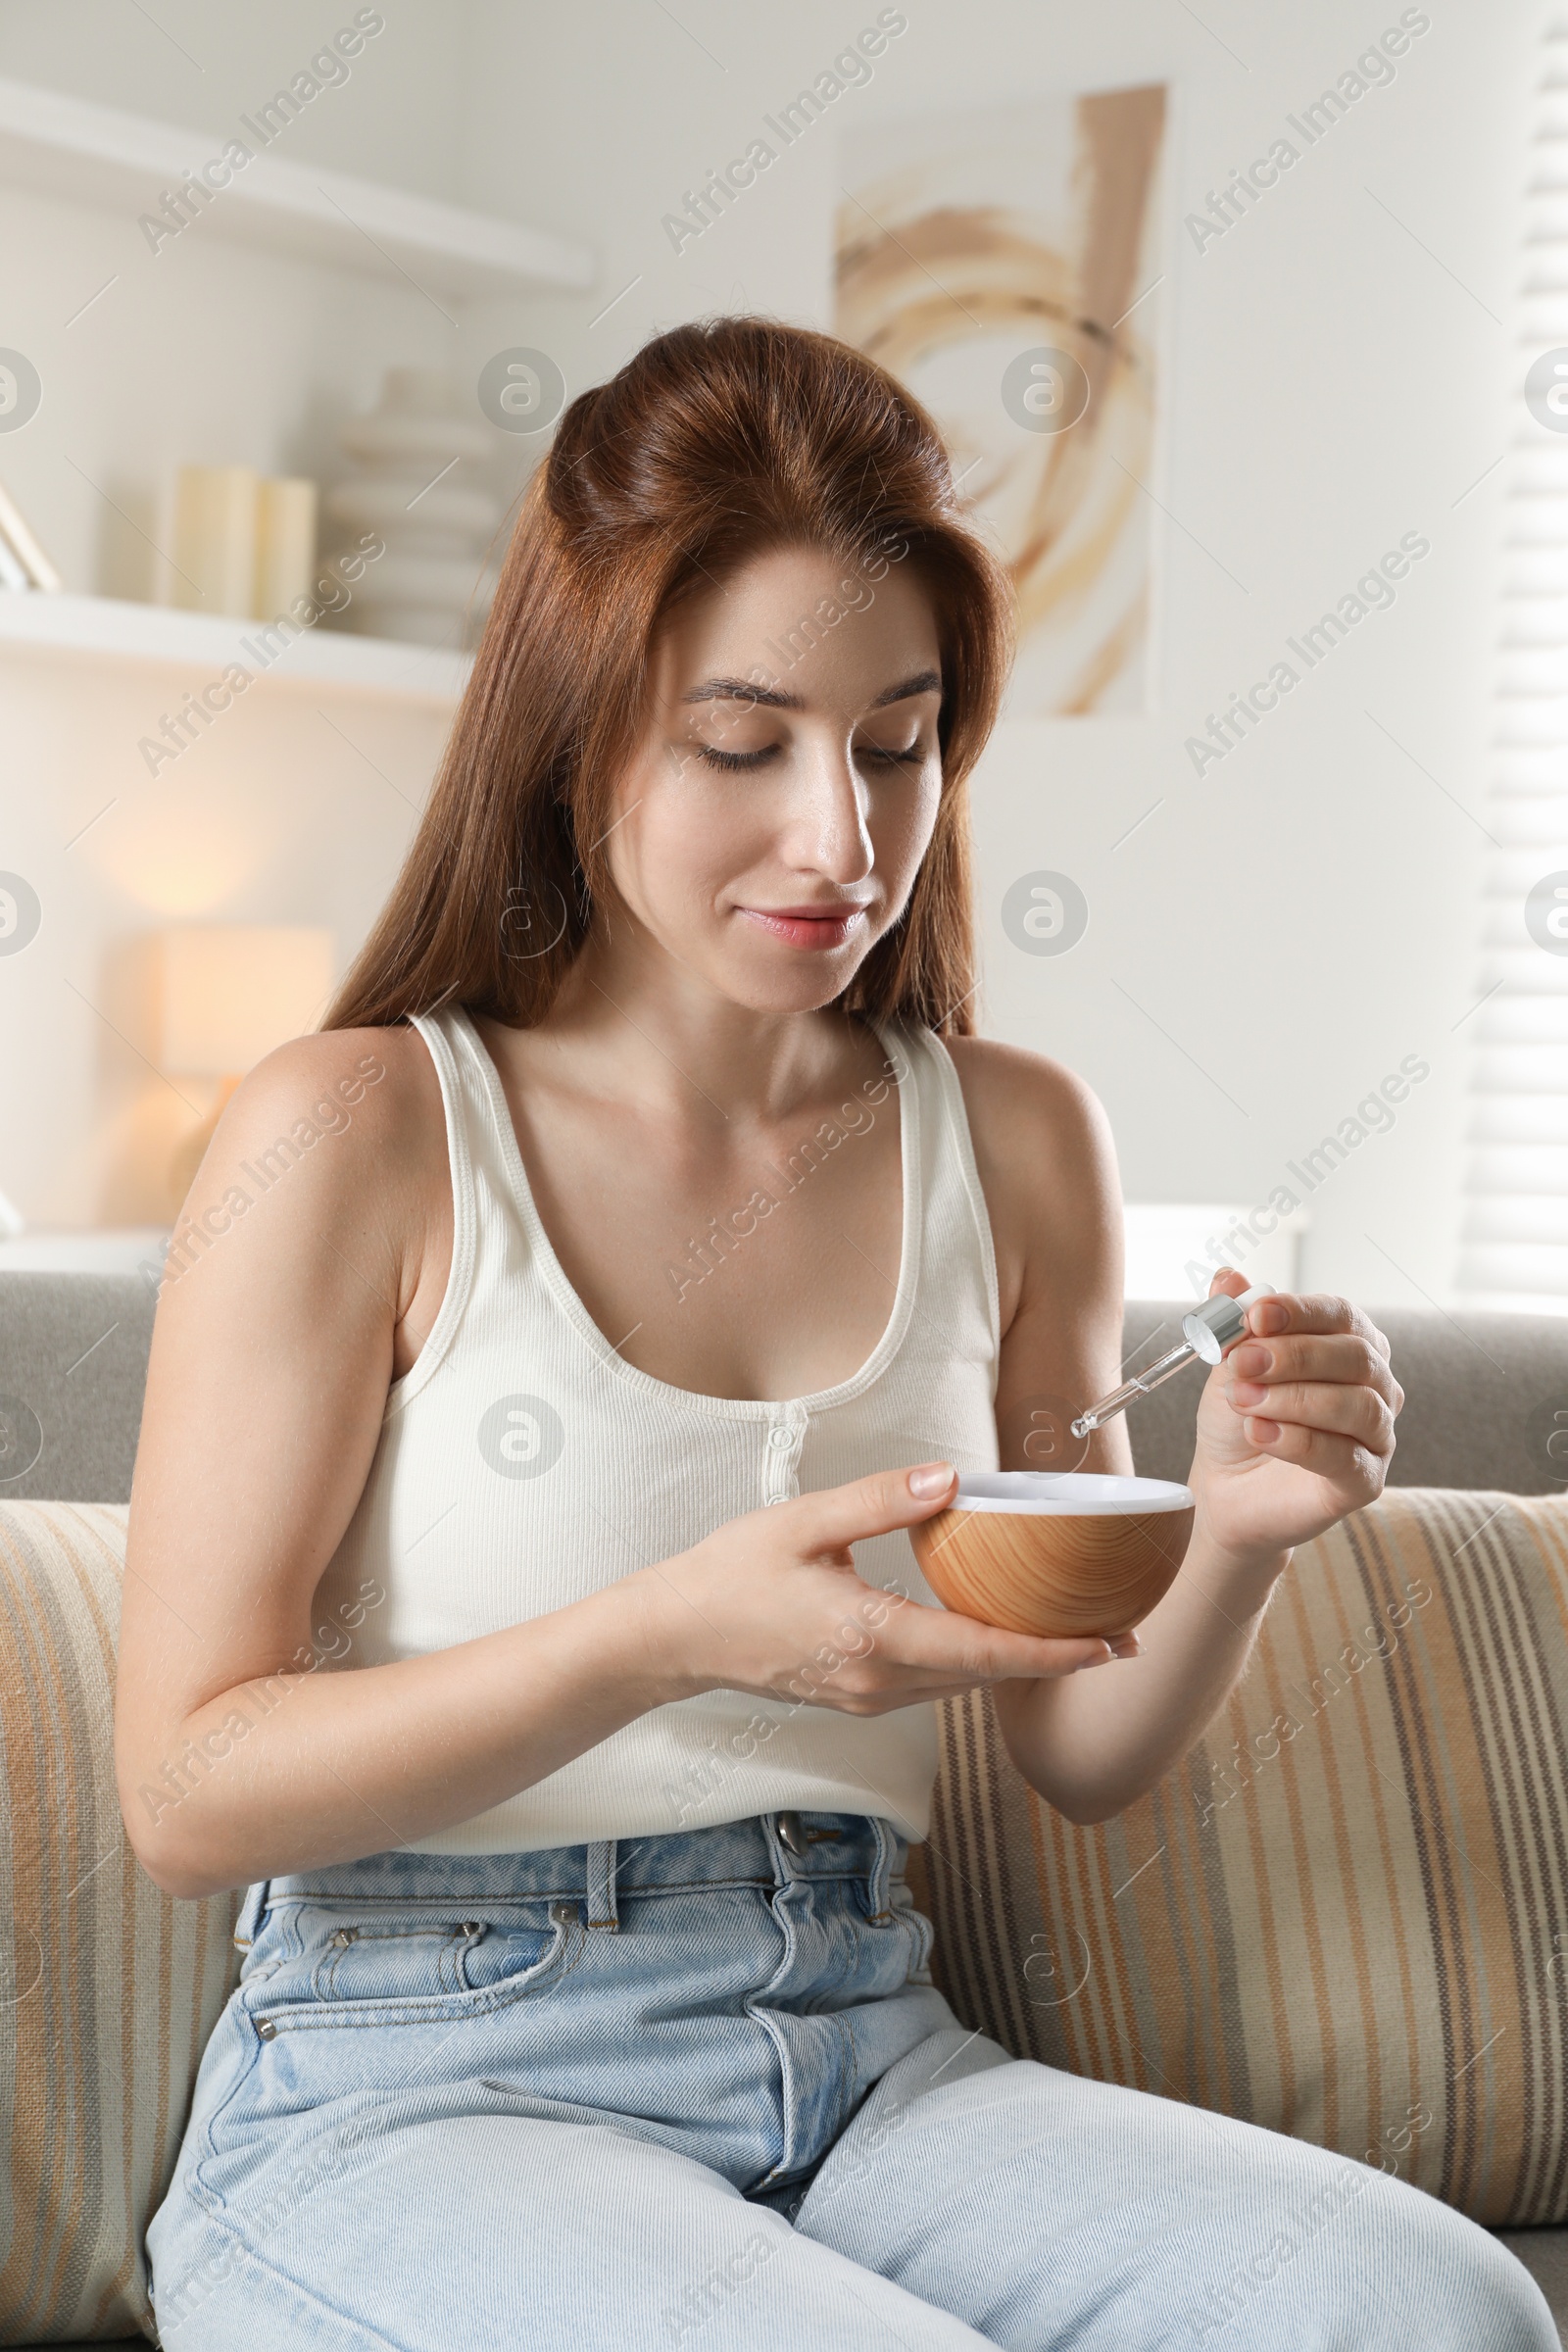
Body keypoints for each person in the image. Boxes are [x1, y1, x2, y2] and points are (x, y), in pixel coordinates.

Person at [122, 317, 1552, 2350]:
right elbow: (183, 1795)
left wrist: (1230, 1529)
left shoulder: (1017, 1137)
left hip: (863, 2049)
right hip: (415, 2082)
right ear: (578, 724)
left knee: (1420, 2307)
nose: (843, 839)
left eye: (895, 740)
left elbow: (1071, 1737)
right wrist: (661, 1631)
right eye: (741, 744)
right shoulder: (355, 1133)